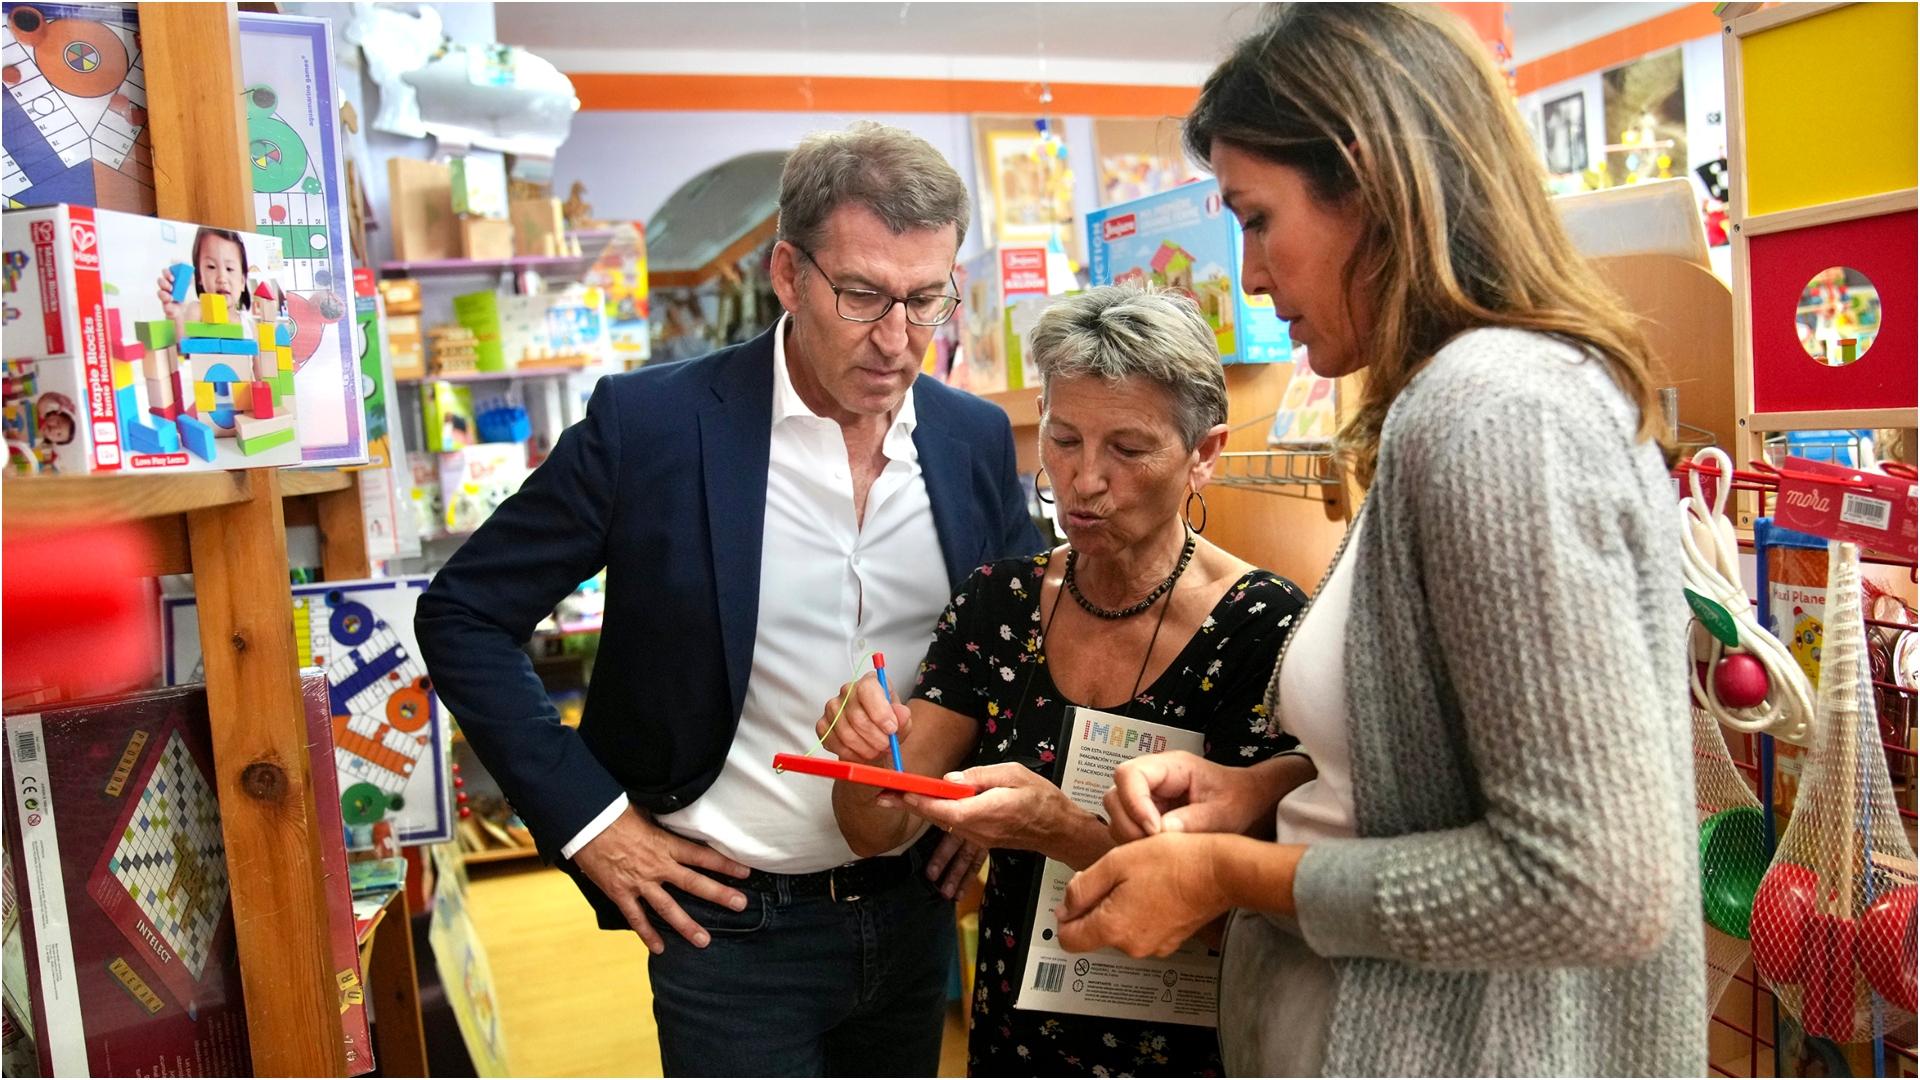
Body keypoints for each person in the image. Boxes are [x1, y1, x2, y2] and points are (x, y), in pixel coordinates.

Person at [1054, 5, 1706, 1076]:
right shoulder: (1447, 408)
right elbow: (1446, 761)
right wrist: (1268, 791)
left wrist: (1228, 876)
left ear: (1368, 184)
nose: (1250, 277)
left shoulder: (1497, 417)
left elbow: (1592, 881)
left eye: (1258, 219)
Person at [415, 121, 1042, 1077]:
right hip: (731, 929)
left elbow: (1012, 642)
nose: (897, 339)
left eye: (926, 299)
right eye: (862, 295)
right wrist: (594, 825)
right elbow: (463, 615)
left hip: (913, 907)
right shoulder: (652, 427)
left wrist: (983, 790)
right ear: (788, 274)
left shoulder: (972, 437)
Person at [820, 285, 1311, 1077]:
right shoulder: (999, 604)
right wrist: (865, 757)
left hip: (1193, 1051)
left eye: (1128, 450)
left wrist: (1057, 829)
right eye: (1065, 438)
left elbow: (1252, 916)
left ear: (1205, 452)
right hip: (1018, 1042)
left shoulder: (1263, 629)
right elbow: (873, 830)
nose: (1084, 481)